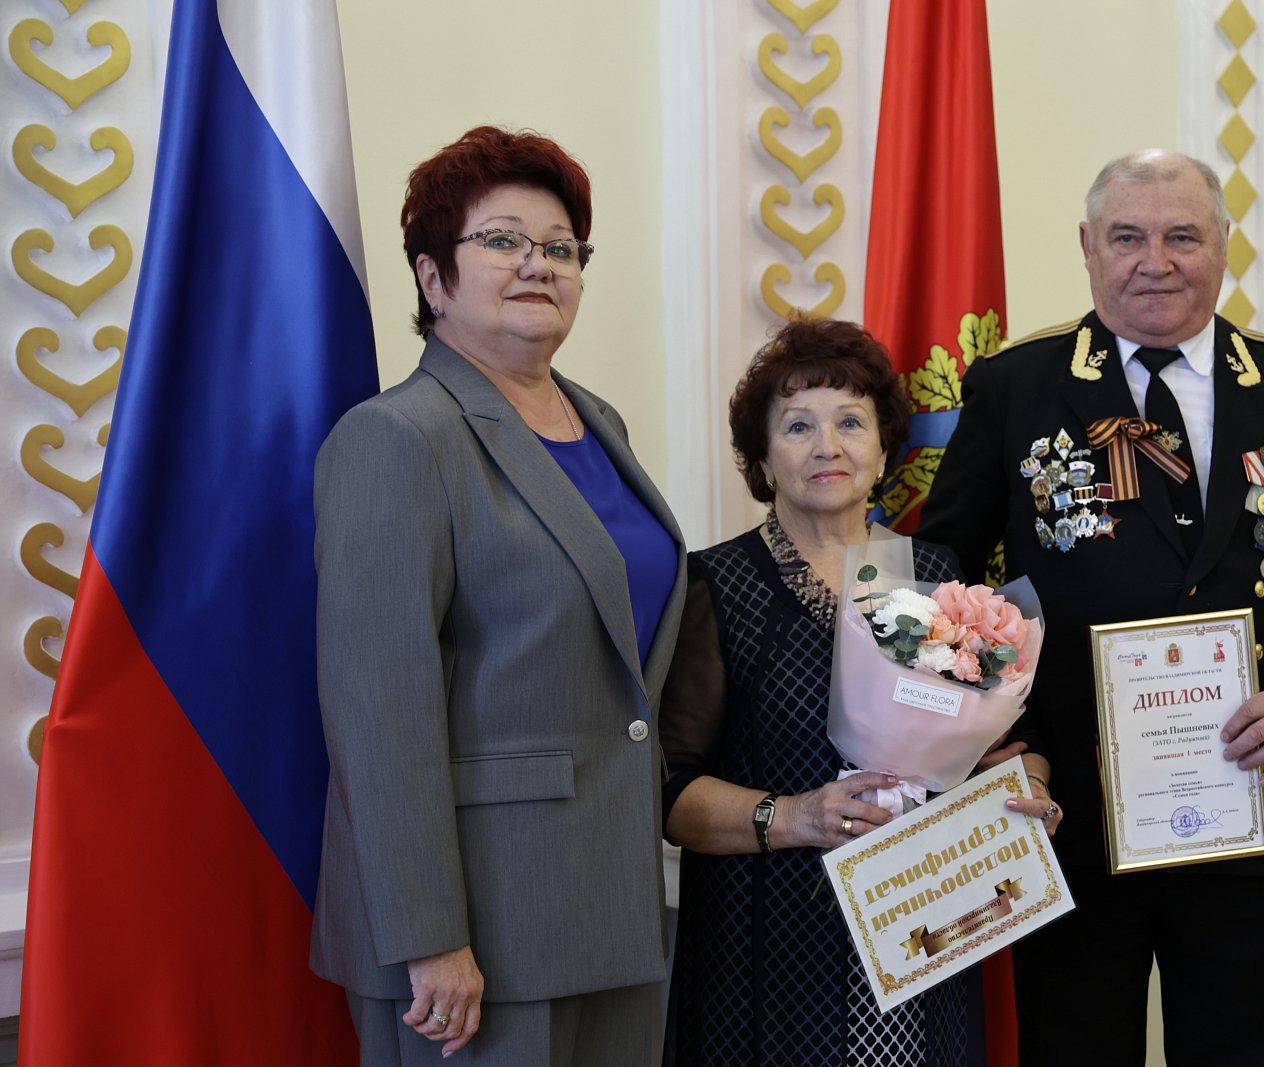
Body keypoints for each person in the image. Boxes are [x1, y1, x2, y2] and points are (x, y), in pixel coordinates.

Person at [919, 149, 1264, 1066]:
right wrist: (991, 738)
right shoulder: (1017, 389)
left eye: (1183, 236)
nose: (1156, 262)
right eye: (1127, 238)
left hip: (1246, 820)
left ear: (1223, 244)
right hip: (1067, 818)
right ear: (1087, 247)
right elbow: (942, 584)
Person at [310, 126, 685, 1065]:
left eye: (561, 247)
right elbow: (378, 714)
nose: (538, 264)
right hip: (479, 931)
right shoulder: (398, 438)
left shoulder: (600, 421)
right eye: (503, 241)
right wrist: (428, 935)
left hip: (614, 898)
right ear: (433, 278)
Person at [657, 317, 1058, 1066]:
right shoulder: (717, 584)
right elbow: (671, 791)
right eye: (797, 425)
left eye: (850, 422)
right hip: (771, 954)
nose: (827, 446)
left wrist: (1028, 785)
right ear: (763, 459)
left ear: (882, 451)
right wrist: (797, 816)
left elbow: (989, 747)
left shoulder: (939, 576)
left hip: (927, 932)